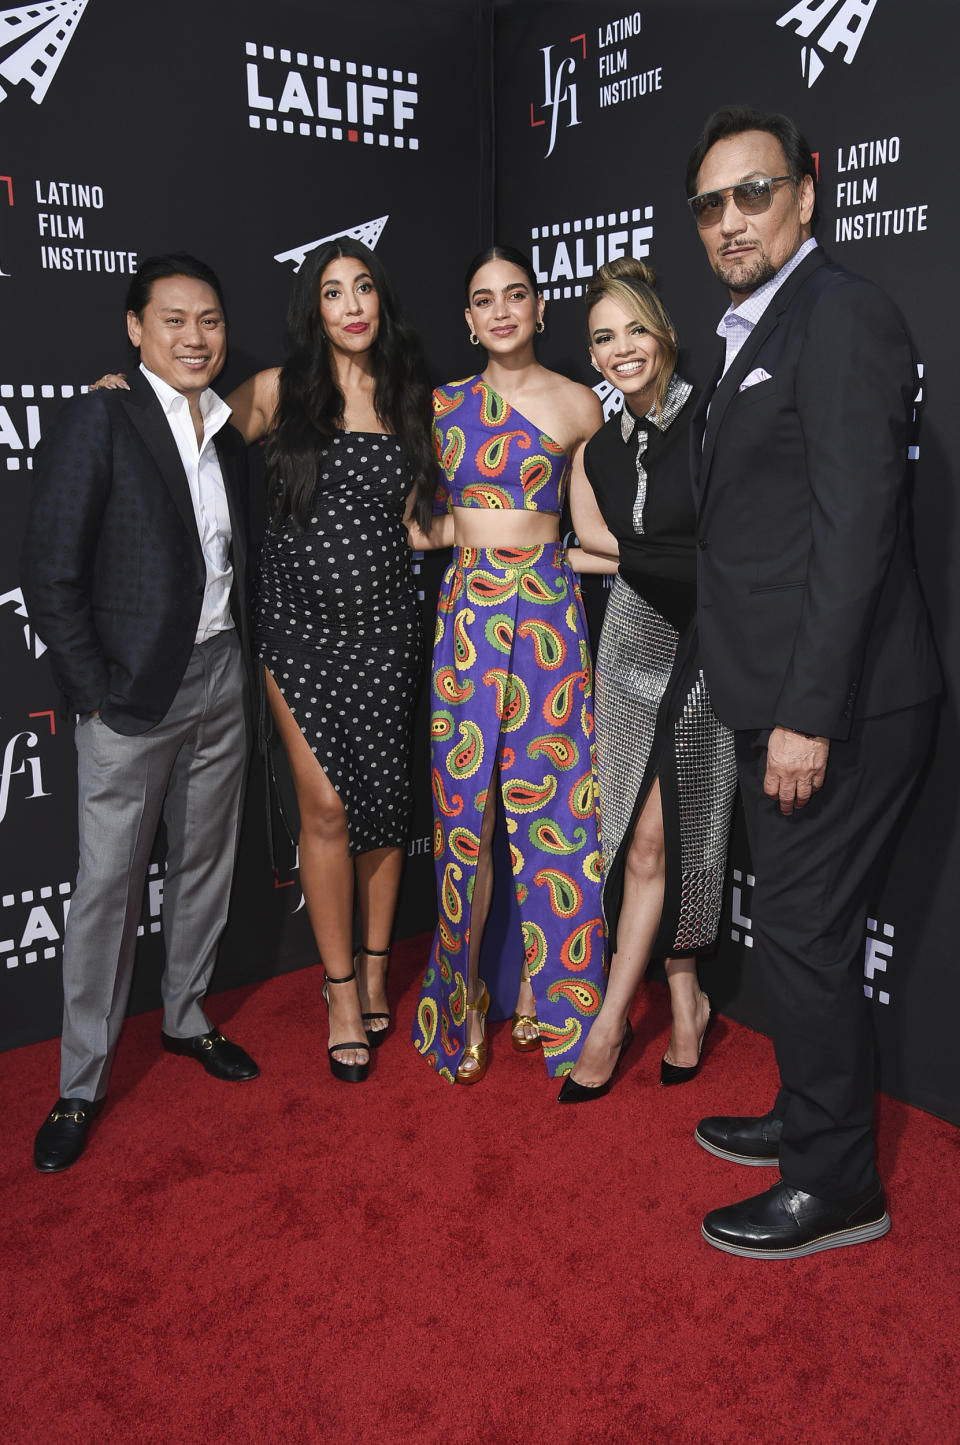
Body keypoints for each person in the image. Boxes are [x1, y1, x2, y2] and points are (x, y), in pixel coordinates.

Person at [685, 106, 940, 1257]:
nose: (731, 218)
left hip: (833, 702)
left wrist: (803, 714)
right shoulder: (756, 322)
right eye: (711, 204)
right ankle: (809, 1114)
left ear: (808, 194)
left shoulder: (841, 316)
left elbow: (855, 532)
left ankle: (836, 1182)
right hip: (782, 691)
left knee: (804, 930)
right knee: (800, 930)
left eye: (753, 192)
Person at [21, 254, 258, 1174]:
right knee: (107, 894)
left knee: (204, 861)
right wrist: (95, 692)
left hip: (220, 676)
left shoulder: (231, 430)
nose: (195, 337)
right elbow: (51, 572)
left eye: (209, 320)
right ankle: (80, 1082)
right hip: (130, 696)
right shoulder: (99, 415)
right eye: (173, 320)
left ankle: (189, 1018)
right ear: (134, 328)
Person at [227, 239, 429, 1081]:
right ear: (313, 307)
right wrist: (123, 392)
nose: (350, 305)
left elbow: (428, 521)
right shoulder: (280, 392)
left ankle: (379, 970)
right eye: (332, 291)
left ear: (380, 302)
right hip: (298, 636)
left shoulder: (411, 399)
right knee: (327, 807)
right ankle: (340, 990)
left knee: (383, 809)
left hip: (389, 632)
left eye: (364, 288)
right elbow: (183, 427)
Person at [408, 244, 606, 1083]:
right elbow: (422, 527)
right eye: (483, 299)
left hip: (551, 623)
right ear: (468, 318)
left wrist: (547, 549)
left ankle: (542, 990)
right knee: (467, 820)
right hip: (467, 621)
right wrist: (486, 536)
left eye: (514, 294)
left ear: (538, 306)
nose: (500, 310)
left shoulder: (579, 405)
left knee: (557, 807)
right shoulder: (444, 405)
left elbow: (595, 531)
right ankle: (461, 1003)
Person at [559, 257, 736, 1102]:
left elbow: (720, 560)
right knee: (629, 833)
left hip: (709, 643)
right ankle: (685, 996)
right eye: (603, 337)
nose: (620, 348)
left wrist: (613, 553)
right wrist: (614, 556)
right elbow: (603, 553)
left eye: (634, 329)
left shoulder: (712, 419)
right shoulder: (596, 449)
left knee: (667, 838)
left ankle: (607, 1020)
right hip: (631, 642)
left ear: (664, 334)